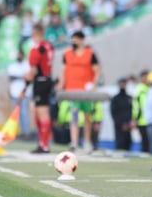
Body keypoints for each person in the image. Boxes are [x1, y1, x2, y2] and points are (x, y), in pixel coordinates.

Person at [58, 30, 100, 153]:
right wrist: (61, 83)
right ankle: (74, 142)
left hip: (85, 91)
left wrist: (94, 84)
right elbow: (63, 70)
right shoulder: (67, 54)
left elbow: (97, 70)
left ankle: (87, 141)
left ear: (82, 40)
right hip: (72, 90)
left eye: (76, 39)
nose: (74, 42)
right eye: (72, 39)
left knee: (87, 117)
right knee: (74, 116)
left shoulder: (90, 54)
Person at [23, 24, 55, 153]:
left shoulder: (36, 49)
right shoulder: (49, 46)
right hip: (48, 80)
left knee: (41, 112)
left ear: (36, 34)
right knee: (39, 110)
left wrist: (24, 87)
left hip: (40, 82)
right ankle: (43, 142)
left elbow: (33, 71)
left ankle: (44, 144)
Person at [7, 50, 32, 139]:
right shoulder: (12, 66)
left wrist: (22, 77)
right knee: (17, 114)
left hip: (25, 93)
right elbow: (11, 77)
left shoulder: (27, 65)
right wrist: (21, 76)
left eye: (20, 54)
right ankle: (20, 132)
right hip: (15, 93)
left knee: (24, 113)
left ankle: (27, 132)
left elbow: (29, 77)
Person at [110, 78, 133, 151]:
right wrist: (121, 124)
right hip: (119, 127)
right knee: (120, 144)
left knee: (128, 144)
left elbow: (131, 111)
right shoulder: (115, 99)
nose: (123, 85)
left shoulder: (129, 98)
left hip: (128, 126)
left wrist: (129, 123)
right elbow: (113, 113)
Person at [132, 70, 150, 153]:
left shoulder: (147, 89)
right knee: (145, 140)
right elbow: (136, 105)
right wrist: (135, 118)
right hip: (142, 120)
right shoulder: (140, 89)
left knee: (148, 140)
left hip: (148, 119)